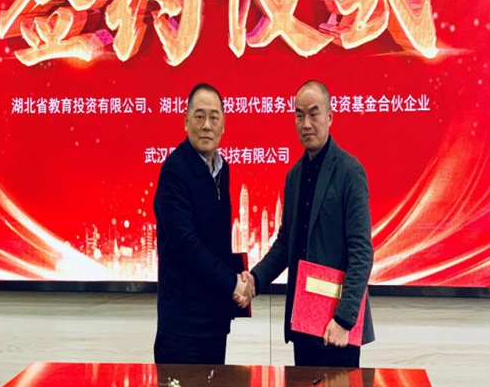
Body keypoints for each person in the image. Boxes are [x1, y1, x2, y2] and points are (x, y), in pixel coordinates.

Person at [246, 80, 374, 367]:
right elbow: (285, 244)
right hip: (303, 321)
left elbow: (362, 252)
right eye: (299, 115)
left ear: (329, 117)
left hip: (336, 327)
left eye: (314, 114)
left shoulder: (350, 171)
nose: (306, 123)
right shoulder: (294, 176)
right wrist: (255, 279)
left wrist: (344, 319)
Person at [153, 82, 252, 365]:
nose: (207, 125)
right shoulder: (174, 171)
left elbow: (216, 242)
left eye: (214, 117)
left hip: (214, 322)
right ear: (186, 122)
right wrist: (232, 282)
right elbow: (186, 245)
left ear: (224, 125)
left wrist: (239, 281)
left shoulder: (222, 169)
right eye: (199, 117)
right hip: (183, 327)